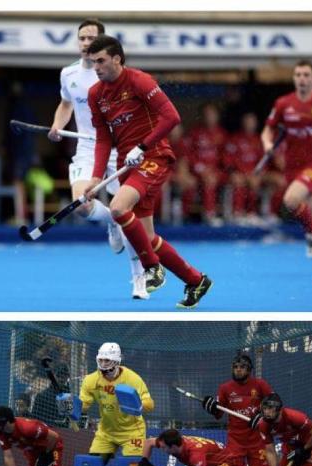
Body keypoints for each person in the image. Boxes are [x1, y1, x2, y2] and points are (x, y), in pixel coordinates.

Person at [84, 35, 212, 308]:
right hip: (126, 165)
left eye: (101, 61)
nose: (95, 67)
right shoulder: (96, 94)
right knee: (147, 237)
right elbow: (104, 139)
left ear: (117, 59)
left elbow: (172, 117)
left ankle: (152, 269)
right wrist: (96, 177)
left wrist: (142, 146)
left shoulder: (140, 81)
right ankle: (196, 280)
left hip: (153, 156)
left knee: (118, 209)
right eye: (92, 62)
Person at [48, 19, 144, 299]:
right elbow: (66, 104)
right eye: (82, 38)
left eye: (92, 38)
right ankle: (111, 221)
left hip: (120, 150)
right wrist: (57, 125)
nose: (86, 43)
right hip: (87, 149)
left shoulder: (116, 76)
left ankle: (138, 279)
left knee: (128, 213)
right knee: (81, 204)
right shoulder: (68, 74)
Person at [262, 60, 312, 275]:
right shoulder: (283, 104)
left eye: (306, 75)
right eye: (298, 75)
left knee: (290, 200)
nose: (302, 79)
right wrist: (267, 144)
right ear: (294, 79)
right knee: (304, 210)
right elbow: (267, 130)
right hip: (292, 166)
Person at [200, 353, 274, 466]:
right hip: (235, 441)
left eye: (241, 367)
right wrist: (210, 406)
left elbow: (273, 404)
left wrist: (262, 415)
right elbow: (218, 414)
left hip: (257, 440)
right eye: (235, 367)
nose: (238, 370)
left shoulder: (260, 385)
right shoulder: (225, 388)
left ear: (249, 369)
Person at [79, 342, 154, 463]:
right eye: (101, 360)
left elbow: (149, 404)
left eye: (107, 360)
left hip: (132, 431)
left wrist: (139, 405)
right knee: (93, 465)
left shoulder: (132, 379)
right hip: (106, 432)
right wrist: (73, 407)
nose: (103, 364)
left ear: (117, 361)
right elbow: (84, 404)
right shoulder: (90, 380)